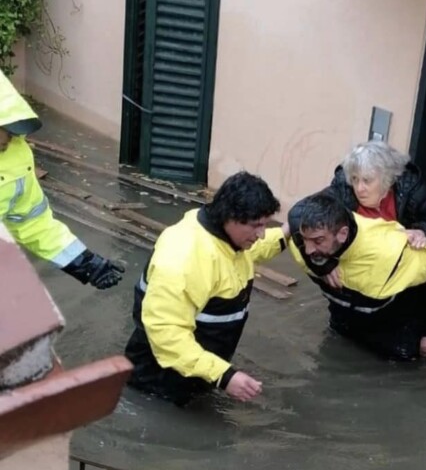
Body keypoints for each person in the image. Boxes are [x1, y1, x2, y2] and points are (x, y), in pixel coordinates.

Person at [124, 172, 287, 406]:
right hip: (158, 381)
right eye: (256, 226)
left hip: (198, 370)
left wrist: (287, 234)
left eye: (265, 225)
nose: (261, 234)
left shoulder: (224, 237)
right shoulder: (184, 257)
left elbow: (244, 254)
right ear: (231, 217)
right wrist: (224, 376)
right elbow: (166, 333)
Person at [288, 191, 426, 361]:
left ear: (342, 234)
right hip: (349, 319)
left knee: (420, 353)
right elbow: (280, 232)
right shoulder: (300, 245)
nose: (308, 250)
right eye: (305, 240)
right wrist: (323, 267)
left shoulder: (389, 251)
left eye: (318, 241)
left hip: (399, 321)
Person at [0, 69, 124, 289]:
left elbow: (31, 221)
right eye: (4, 129)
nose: (10, 139)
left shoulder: (14, 159)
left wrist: (85, 262)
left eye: (11, 130)